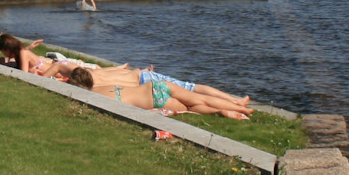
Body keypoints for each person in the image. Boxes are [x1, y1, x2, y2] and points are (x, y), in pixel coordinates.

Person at [62, 66, 252, 120]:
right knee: (198, 98)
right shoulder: (101, 83)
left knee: (192, 108)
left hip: (157, 102)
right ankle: (237, 107)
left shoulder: (97, 98)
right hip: (156, 87)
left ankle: (223, 112)